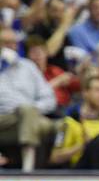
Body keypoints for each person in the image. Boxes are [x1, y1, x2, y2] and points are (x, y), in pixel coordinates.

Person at [0, 27, 57, 171]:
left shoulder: (28, 67)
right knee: (39, 122)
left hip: (26, 116)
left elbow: (49, 98)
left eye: (14, 43)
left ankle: (31, 167)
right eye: (6, 43)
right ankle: (29, 169)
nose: (11, 47)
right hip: (3, 118)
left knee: (44, 121)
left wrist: (31, 109)